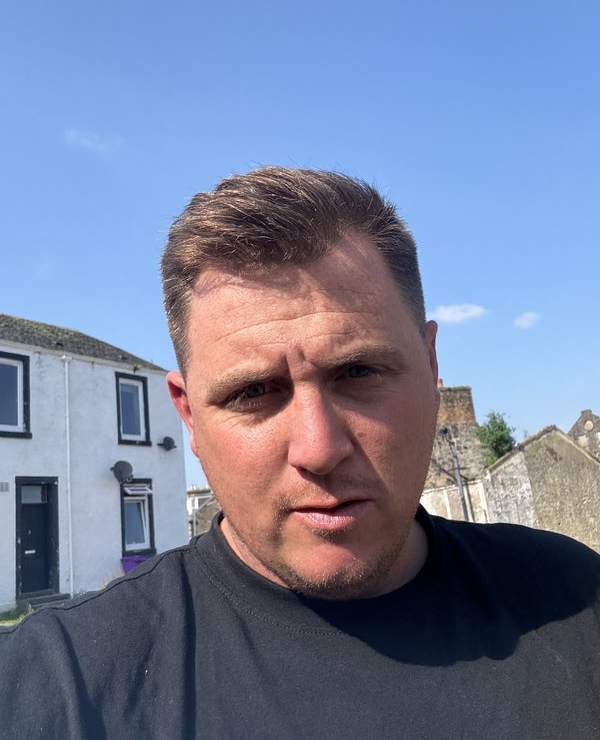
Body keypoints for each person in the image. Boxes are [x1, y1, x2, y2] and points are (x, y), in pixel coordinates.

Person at [1, 167, 599, 739]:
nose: (319, 450)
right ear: (189, 416)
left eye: (359, 371)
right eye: (252, 392)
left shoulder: (578, 598)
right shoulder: (62, 684)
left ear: (431, 365)